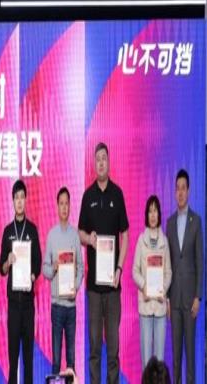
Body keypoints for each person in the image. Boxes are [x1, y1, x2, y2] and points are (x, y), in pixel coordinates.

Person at [78, 142, 129, 384]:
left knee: (113, 349)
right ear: (94, 163)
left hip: (113, 286)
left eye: (104, 158)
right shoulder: (88, 196)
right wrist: (89, 239)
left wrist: (119, 268)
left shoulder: (117, 194)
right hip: (94, 288)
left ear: (109, 162)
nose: (100, 162)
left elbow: (125, 235)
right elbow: (80, 232)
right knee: (95, 347)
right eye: (97, 159)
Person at [0, 179, 42, 384]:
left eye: (22, 197)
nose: (19, 201)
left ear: (26, 200)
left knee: (28, 358)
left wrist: (33, 274)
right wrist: (8, 262)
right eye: (16, 197)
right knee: (13, 357)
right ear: (12, 201)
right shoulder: (8, 231)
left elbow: (38, 261)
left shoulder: (32, 230)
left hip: (28, 304)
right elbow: (2, 270)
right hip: (13, 306)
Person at [166, 169, 203, 384]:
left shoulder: (196, 221)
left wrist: (198, 296)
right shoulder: (169, 223)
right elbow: (168, 262)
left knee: (190, 355)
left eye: (183, 188)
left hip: (190, 301)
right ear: (174, 192)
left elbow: (200, 261)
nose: (180, 192)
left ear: (188, 191)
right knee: (176, 357)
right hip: (174, 300)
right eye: (177, 189)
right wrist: (167, 298)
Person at [42, 187, 83, 374]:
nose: (64, 207)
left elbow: (80, 267)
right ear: (57, 207)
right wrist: (54, 267)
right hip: (57, 306)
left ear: (70, 206)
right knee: (56, 361)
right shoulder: (52, 235)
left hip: (71, 306)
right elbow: (45, 270)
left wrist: (75, 286)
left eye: (67, 203)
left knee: (71, 361)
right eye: (61, 204)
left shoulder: (75, 235)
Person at [132, 195, 172, 369]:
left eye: (155, 211)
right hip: (146, 306)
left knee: (160, 361)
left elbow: (168, 272)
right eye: (150, 211)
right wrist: (145, 287)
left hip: (160, 306)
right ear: (146, 215)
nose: (153, 215)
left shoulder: (165, 241)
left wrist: (162, 288)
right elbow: (135, 270)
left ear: (159, 214)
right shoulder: (141, 240)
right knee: (146, 362)